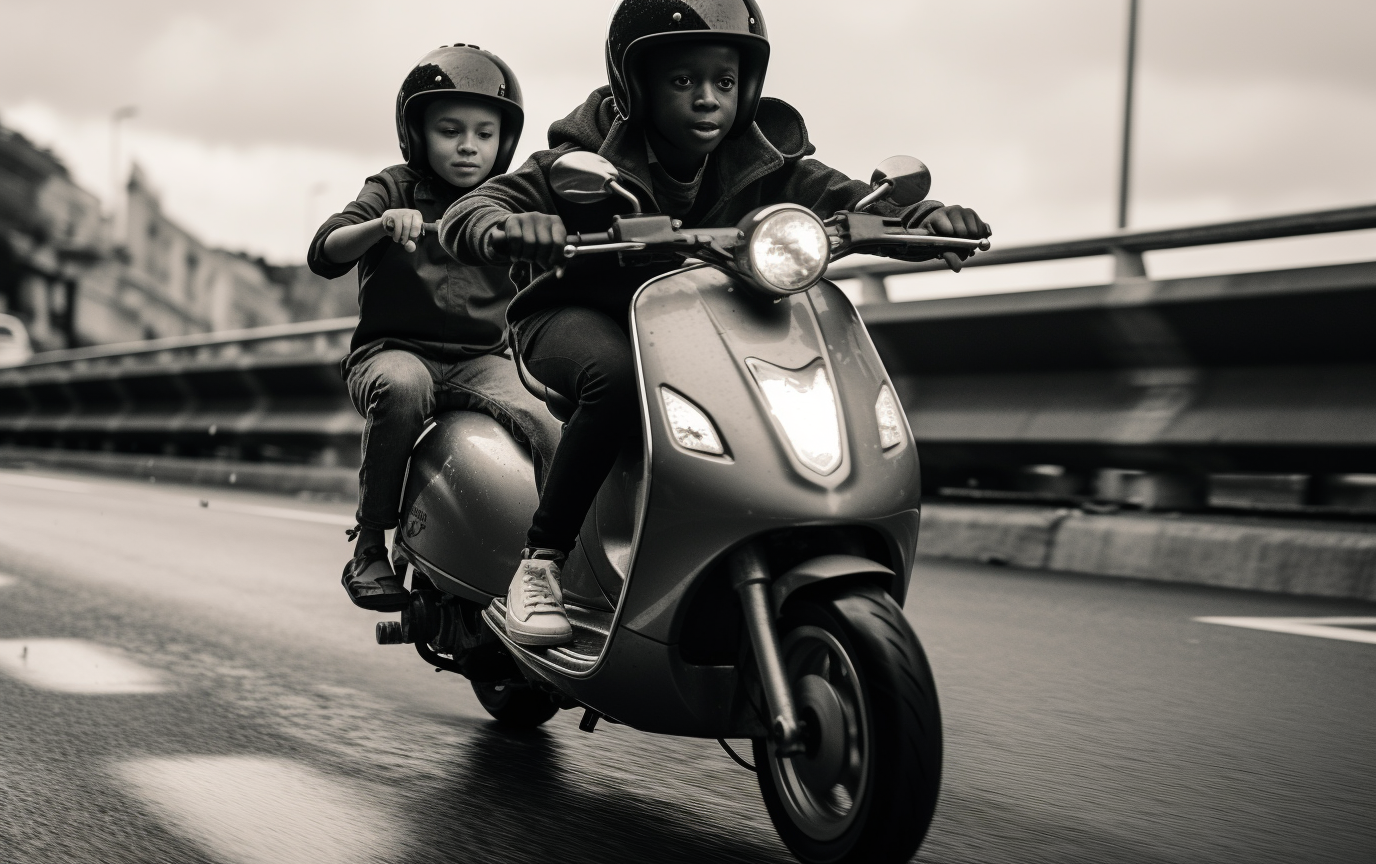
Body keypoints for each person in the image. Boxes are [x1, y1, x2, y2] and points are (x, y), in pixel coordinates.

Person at [439, 0, 990, 646]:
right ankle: (542, 564)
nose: (708, 100)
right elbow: (477, 207)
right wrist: (507, 225)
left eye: (723, 82)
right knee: (612, 378)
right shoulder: (586, 154)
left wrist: (926, 222)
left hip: (696, 327)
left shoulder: (765, 159)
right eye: (683, 82)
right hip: (578, 312)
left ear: (747, 87)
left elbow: (850, 206)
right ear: (636, 85)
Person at [308, 45, 562, 613]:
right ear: (418, 134)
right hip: (393, 352)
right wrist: (378, 226)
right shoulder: (393, 187)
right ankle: (371, 543)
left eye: (484, 133)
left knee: (551, 419)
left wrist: (541, 233)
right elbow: (325, 250)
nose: (468, 145)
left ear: (505, 142)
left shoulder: (507, 200)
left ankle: (550, 567)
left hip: (483, 360)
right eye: (450, 130)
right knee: (402, 388)